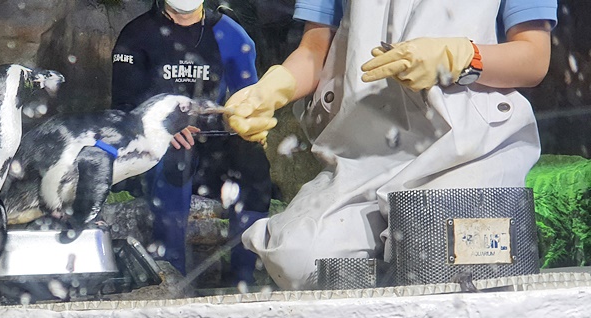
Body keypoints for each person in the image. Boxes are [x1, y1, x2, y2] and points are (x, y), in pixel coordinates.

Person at [223, 0, 557, 290]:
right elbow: (314, 50)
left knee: (438, 259)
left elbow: (533, 58)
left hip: (465, 146)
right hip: (363, 148)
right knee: (297, 260)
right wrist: (273, 89)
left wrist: (460, 57)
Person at [110, 0, 278, 286]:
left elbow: (249, 102)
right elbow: (123, 111)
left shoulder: (230, 34)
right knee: (177, 158)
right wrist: (163, 131)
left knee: (253, 163)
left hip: (214, 143)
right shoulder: (136, 35)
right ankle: (171, 276)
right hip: (160, 146)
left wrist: (247, 124)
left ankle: (243, 278)